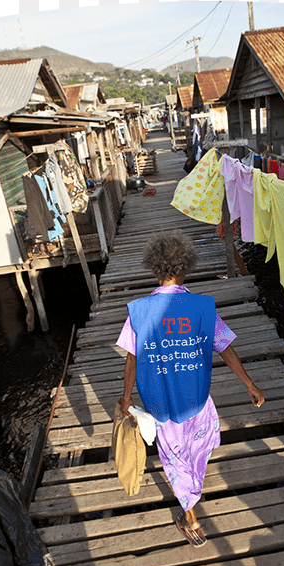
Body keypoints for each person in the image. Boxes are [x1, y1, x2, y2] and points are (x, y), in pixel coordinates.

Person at [116, 230, 265, 547]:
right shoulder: (201, 309)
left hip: (161, 404)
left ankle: (191, 513)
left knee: (174, 460)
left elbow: (132, 361)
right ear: (185, 269)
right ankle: (191, 512)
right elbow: (225, 348)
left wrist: (127, 396)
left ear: (155, 270)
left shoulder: (140, 312)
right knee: (198, 451)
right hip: (196, 401)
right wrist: (249, 383)